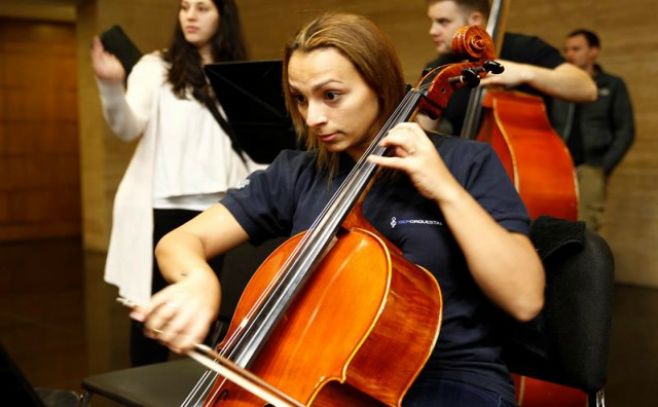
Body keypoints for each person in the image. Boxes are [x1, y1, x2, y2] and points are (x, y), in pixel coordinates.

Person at [132, 12, 544, 406]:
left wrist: (446, 191)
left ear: (380, 85)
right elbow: (182, 240)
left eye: (331, 96)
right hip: (324, 374)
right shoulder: (297, 172)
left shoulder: (466, 164)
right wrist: (197, 279)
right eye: (299, 98)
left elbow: (524, 298)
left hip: (451, 378)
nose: (313, 117)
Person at [91, 0, 260, 366]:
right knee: (151, 316)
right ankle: (140, 390)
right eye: (185, 7)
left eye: (203, 7)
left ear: (223, 16)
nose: (191, 16)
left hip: (220, 211)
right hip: (163, 208)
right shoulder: (156, 68)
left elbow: (250, 144)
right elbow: (127, 127)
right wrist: (110, 87)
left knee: (208, 318)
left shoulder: (236, 73)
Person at [424, 0, 597, 135]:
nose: (432, 31)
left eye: (443, 22)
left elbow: (587, 89)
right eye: (432, 22)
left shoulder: (524, 48)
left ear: (474, 20)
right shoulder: (438, 68)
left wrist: (525, 73)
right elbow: (426, 128)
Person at [551, 29, 635, 231]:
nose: (569, 54)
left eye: (576, 49)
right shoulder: (556, 82)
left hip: (592, 166)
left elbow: (625, 129)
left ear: (593, 51)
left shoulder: (612, 85)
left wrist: (604, 166)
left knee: (586, 227)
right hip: (558, 167)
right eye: (566, 49)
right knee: (554, 223)